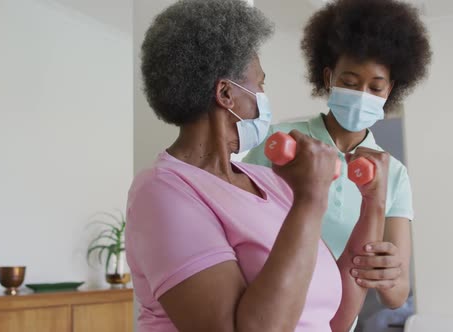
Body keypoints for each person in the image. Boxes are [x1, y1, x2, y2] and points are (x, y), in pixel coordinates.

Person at [125, 0, 390, 331]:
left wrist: (373, 202)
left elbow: (333, 319)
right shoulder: (162, 191)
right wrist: (311, 198)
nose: (265, 95)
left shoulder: (270, 181)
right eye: (260, 84)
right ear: (226, 93)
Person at [243, 0, 432, 330]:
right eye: (349, 81)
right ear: (328, 77)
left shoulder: (394, 175)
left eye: (375, 87)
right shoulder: (279, 141)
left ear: (390, 90)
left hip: (334, 322)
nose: (361, 94)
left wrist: (388, 274)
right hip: (267, 308)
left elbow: (396, 297)